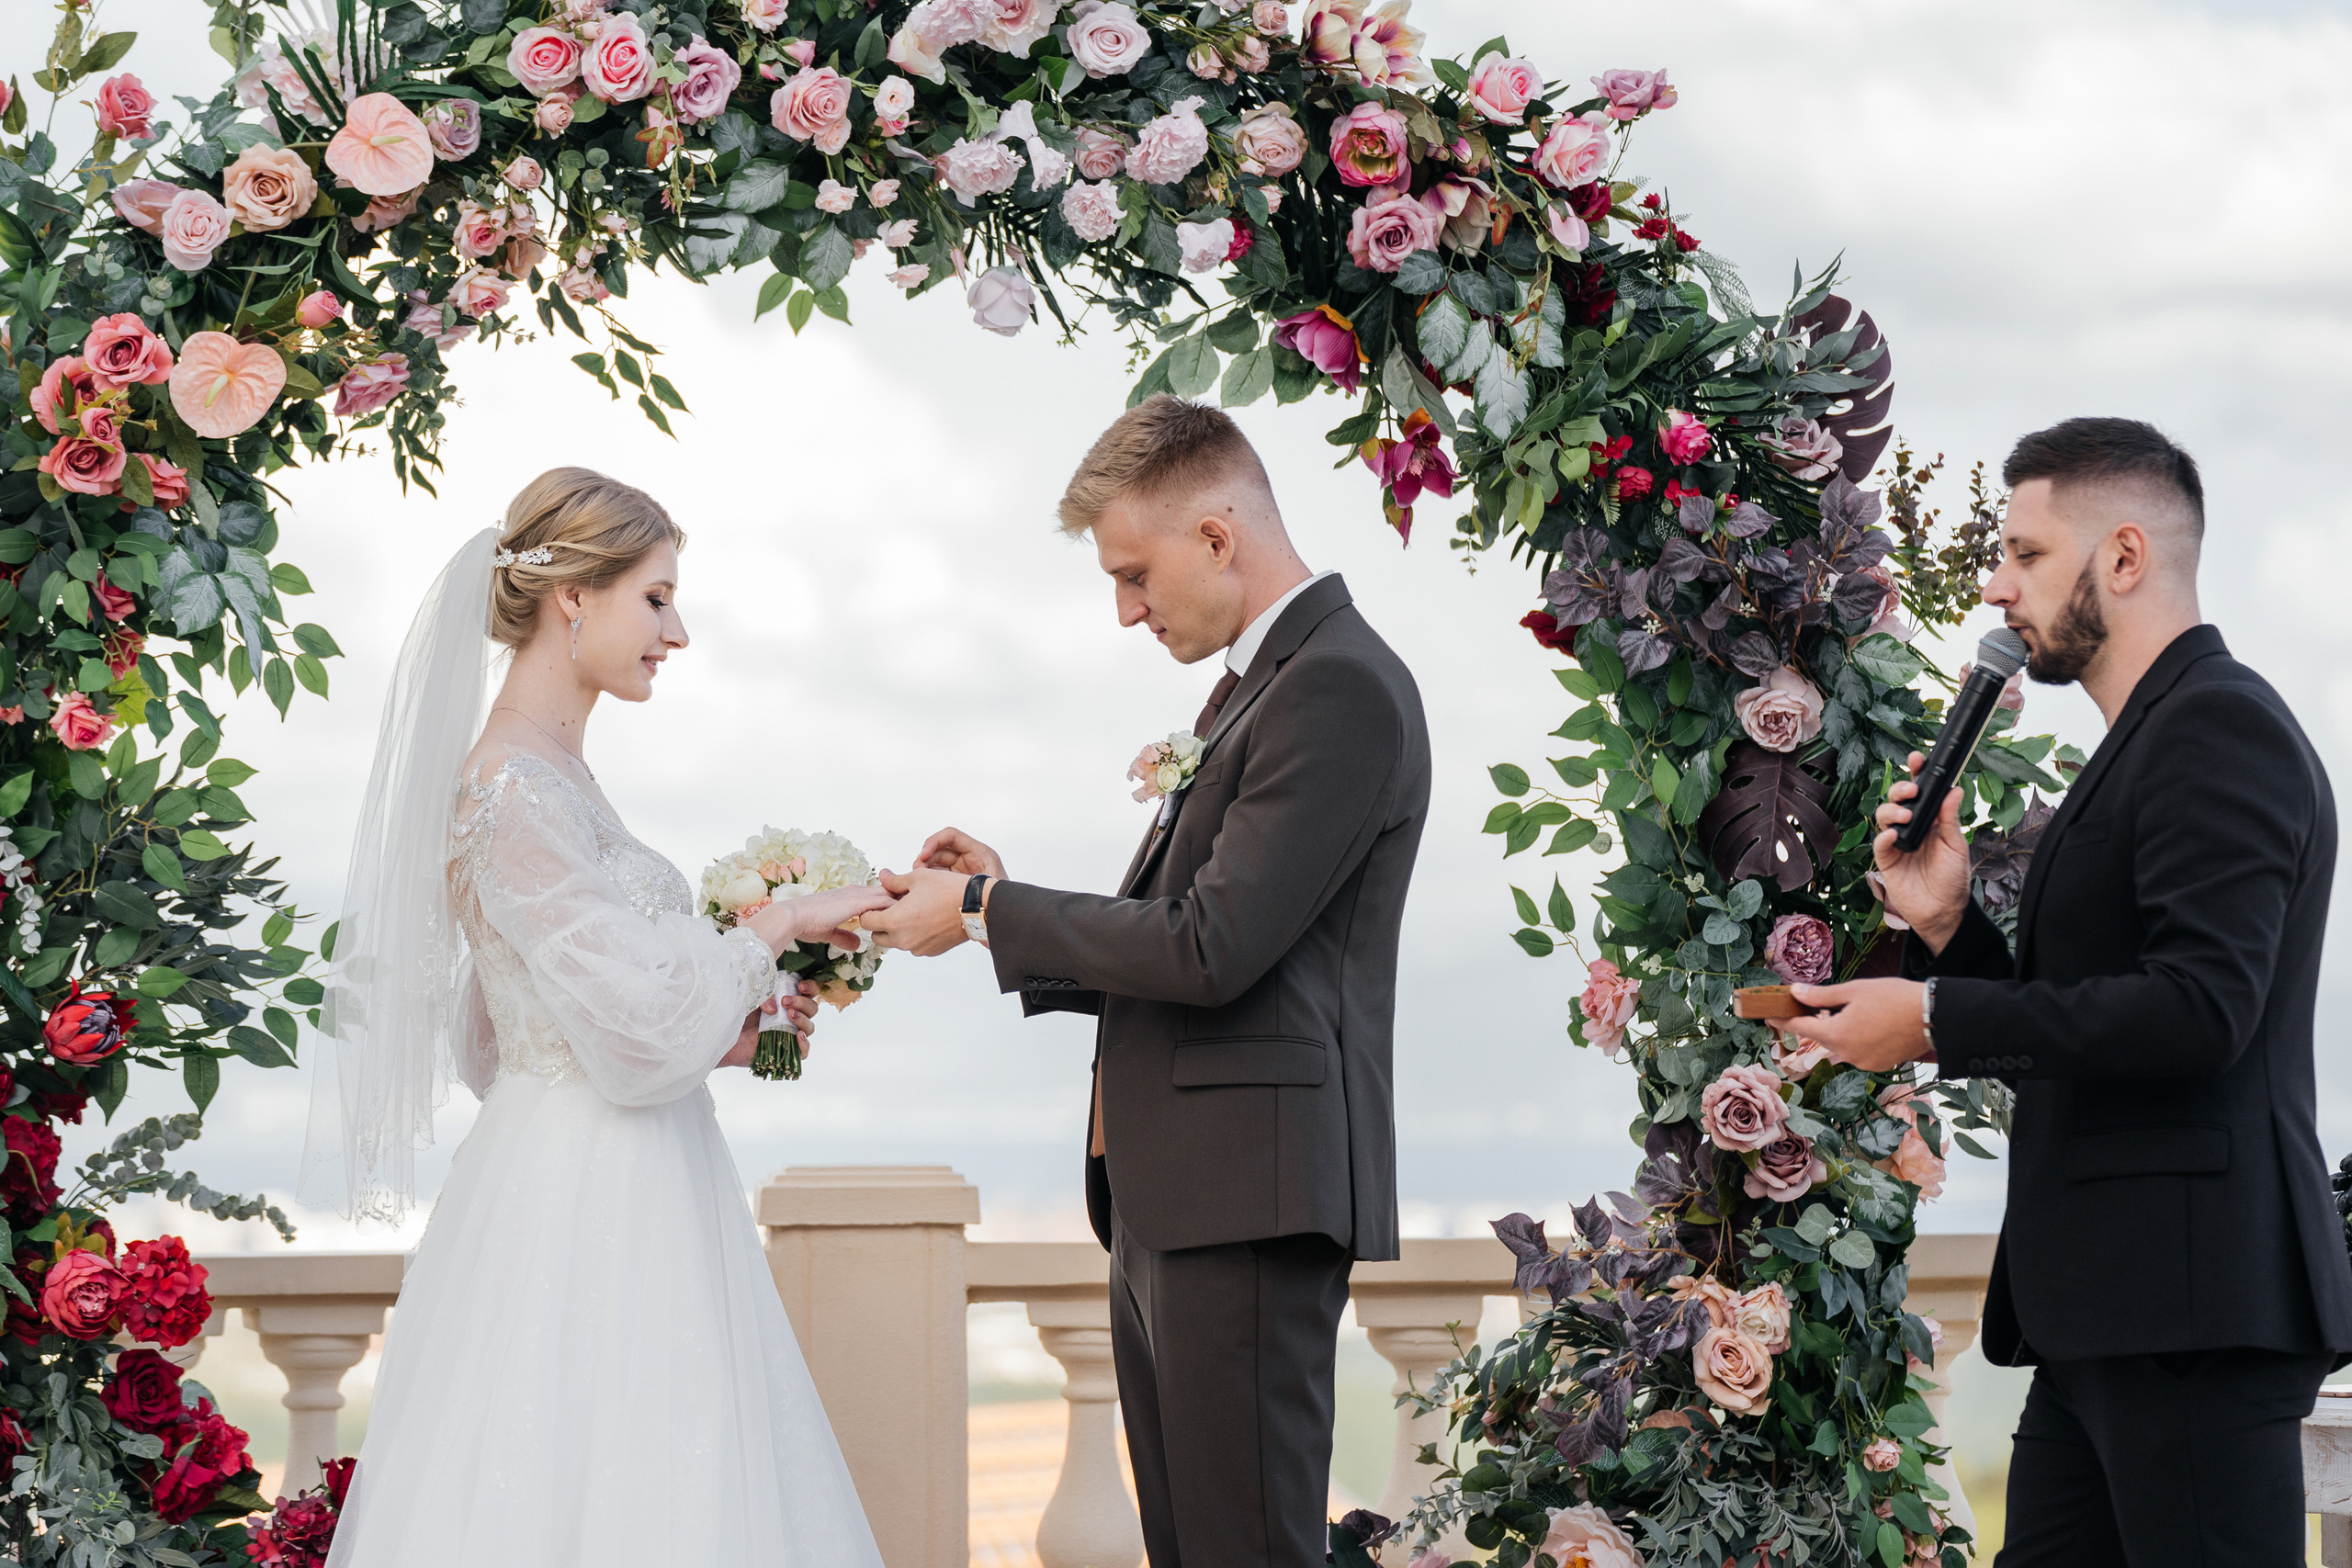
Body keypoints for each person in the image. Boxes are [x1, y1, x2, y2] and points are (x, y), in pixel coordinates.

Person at [860, 397, 1431, 1568]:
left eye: (1133, 573)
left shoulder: (1338, 687)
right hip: (1182, 1201)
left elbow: (1211, 948)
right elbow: (1199, 932)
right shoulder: (1273, 680)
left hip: (1249, 1202)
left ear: (1216, 538)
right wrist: (1002, 904)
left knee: (1244, 1550)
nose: (1125, 610)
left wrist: (984, 914)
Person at [1781, 418, 2352, 1566]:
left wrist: (1935, 1022)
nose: (1995, 586)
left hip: (2188, 1312)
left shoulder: (2217, 726)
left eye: (2026, 555)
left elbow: (2200, 1009)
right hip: (2105, 1311)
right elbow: (2094, 1012)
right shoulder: (2147, 740)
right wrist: (1946, 926)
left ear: (2125, 557)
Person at [306, 468, 892, 1567]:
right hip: (591, 1196)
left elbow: (503, 1033)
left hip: (603, 1164)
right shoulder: (516, 788)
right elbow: (622, 1048)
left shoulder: (551, 776)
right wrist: (771, 928)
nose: (678, 631)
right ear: (572, 596)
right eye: (657, 598)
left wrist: (724, 1028)